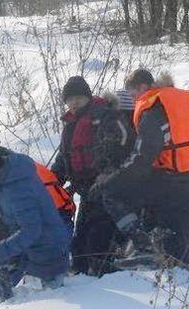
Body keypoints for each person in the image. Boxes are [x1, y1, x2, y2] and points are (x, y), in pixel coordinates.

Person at [92, 69, 189, 267]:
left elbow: (142, 157)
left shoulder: (153, 109)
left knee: (111, 193)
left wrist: (113, 180)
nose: (133, 100)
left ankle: (143, 247)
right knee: (176, 243)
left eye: (132, 95)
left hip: (169, 180)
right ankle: (182, 274)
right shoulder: (180, 102)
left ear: (142, 87)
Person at [51, 76, 135, 276]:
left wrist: (108, 174)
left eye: (78, 97)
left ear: (88, 97)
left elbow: (126, 146)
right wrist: (52, 182)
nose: (74, 102)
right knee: (79, 243)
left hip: (107, 189)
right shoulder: (70, 126)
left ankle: (103, 279)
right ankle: (82, 275)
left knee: (98, 238)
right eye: (69, 99)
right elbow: (64, 158)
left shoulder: (105, 117)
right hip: (85, 190)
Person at [0, 143, 73, 306]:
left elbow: (31, 230)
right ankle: (0, 307)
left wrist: (1, 251)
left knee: (54, 298)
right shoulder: (5, 181)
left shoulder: (17, 188)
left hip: (48, 249)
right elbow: (2, 220)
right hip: (30, 247)